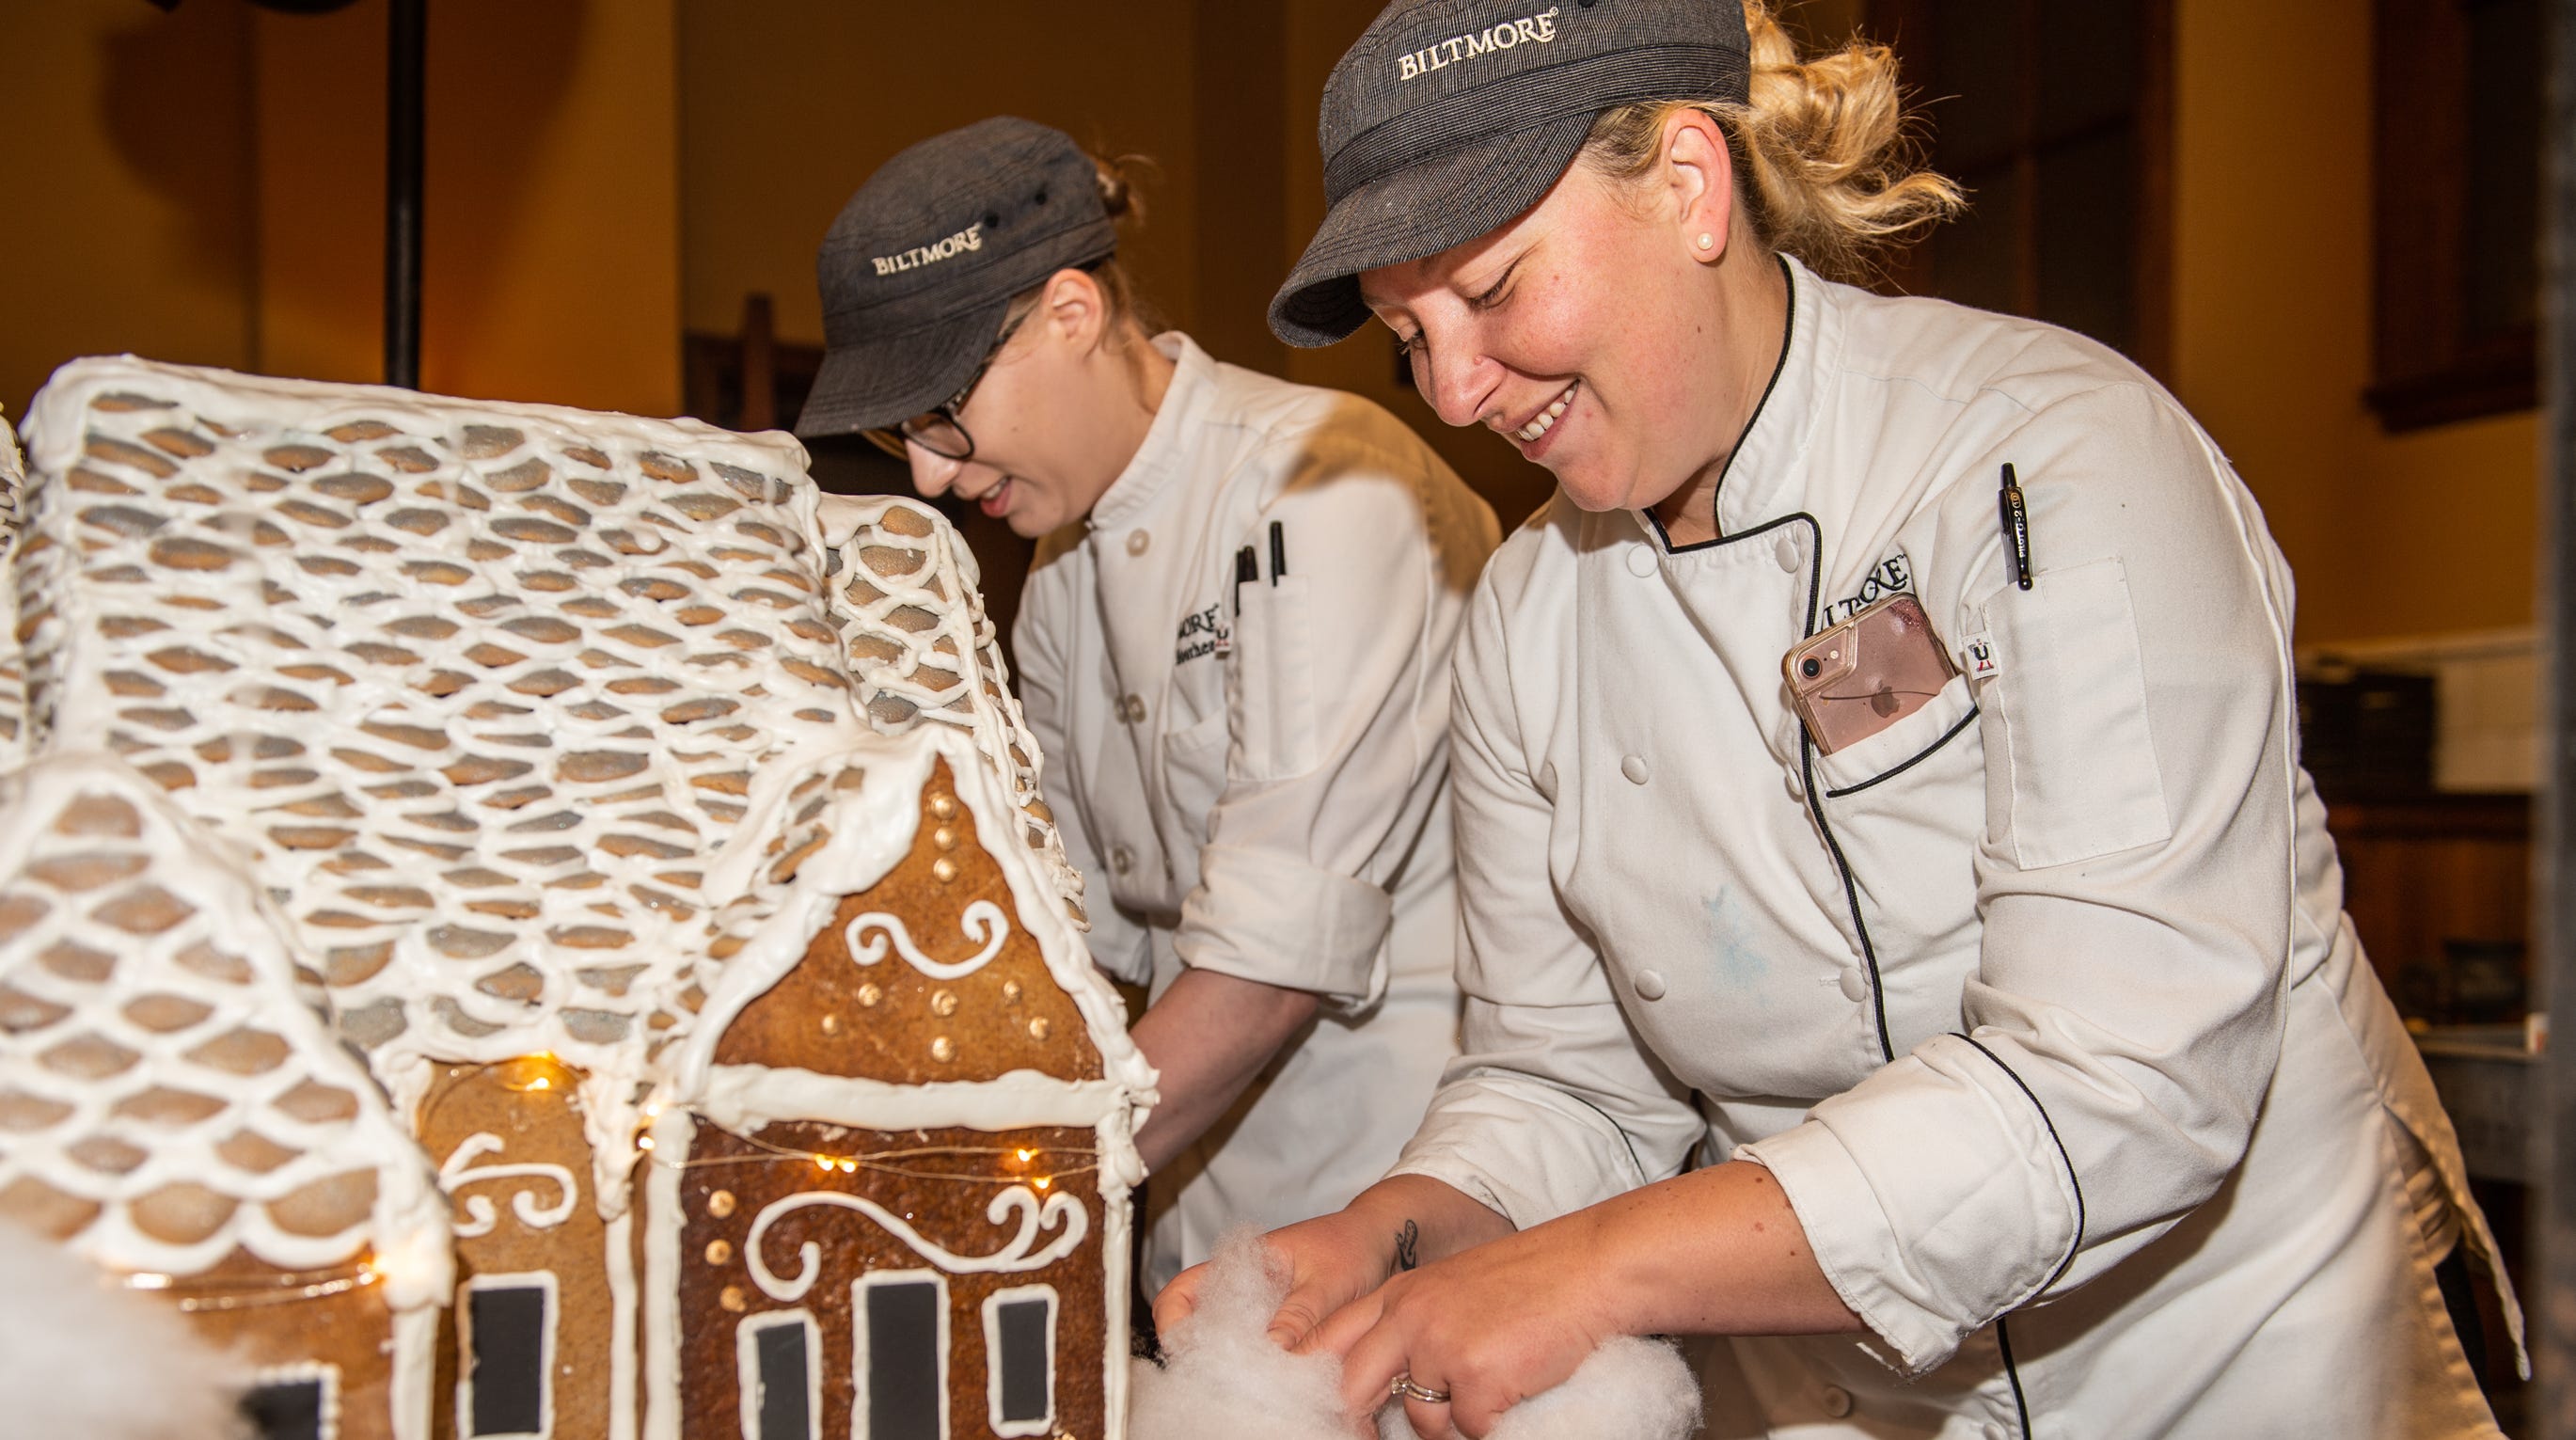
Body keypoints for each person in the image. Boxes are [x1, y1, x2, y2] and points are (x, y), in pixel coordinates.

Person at [1158, 3, 2522, 1436]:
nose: (1450, 390)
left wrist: (1592, 1269)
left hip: (2223, 1352)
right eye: (1405, 337)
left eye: (1491, 292)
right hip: (1849, 1381)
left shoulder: (2044, 456)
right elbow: (1562, 1075)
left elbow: (2124, 1068)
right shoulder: (1523, 615)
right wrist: (1397, 1225)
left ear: (1688, 186)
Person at [795, 117, 1501, 1300]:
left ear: (1072, 313)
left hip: (1400, 1202)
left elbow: (1273, 962)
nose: (926, 473)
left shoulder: (1321, 484)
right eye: (898, 432)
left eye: (939, 412)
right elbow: (1068, 936)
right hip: (1197, 1215)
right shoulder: (1060, 577)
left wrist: (973, 1201)